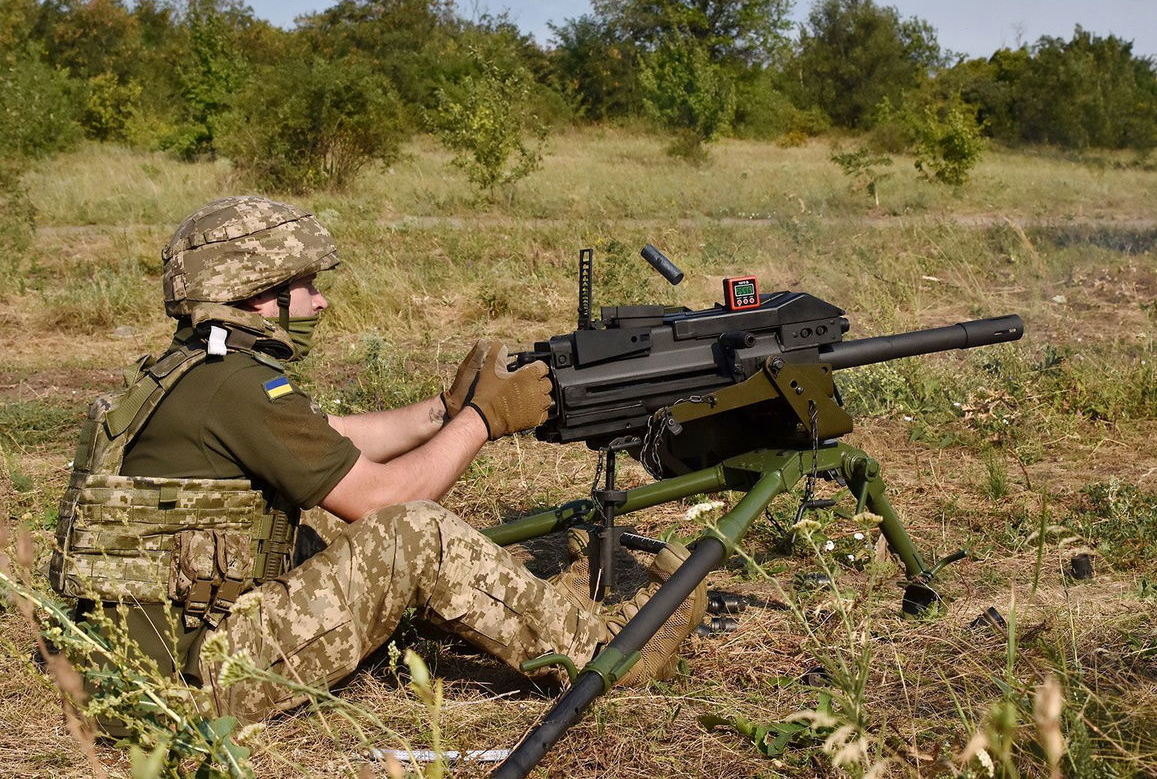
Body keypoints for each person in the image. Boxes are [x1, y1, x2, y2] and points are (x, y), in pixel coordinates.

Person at [50, 196, 705, 723]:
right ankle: (608, 659)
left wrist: (443, 411)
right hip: (189, 689)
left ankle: (504, 613)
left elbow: (330, 438)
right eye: (303, 285)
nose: (318, 300)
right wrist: (485, 420)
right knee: (410, 534)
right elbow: (387, 499)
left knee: (328, 523)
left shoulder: (194, 371)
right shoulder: (240, 385)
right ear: (256, 294)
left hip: (127, 673)